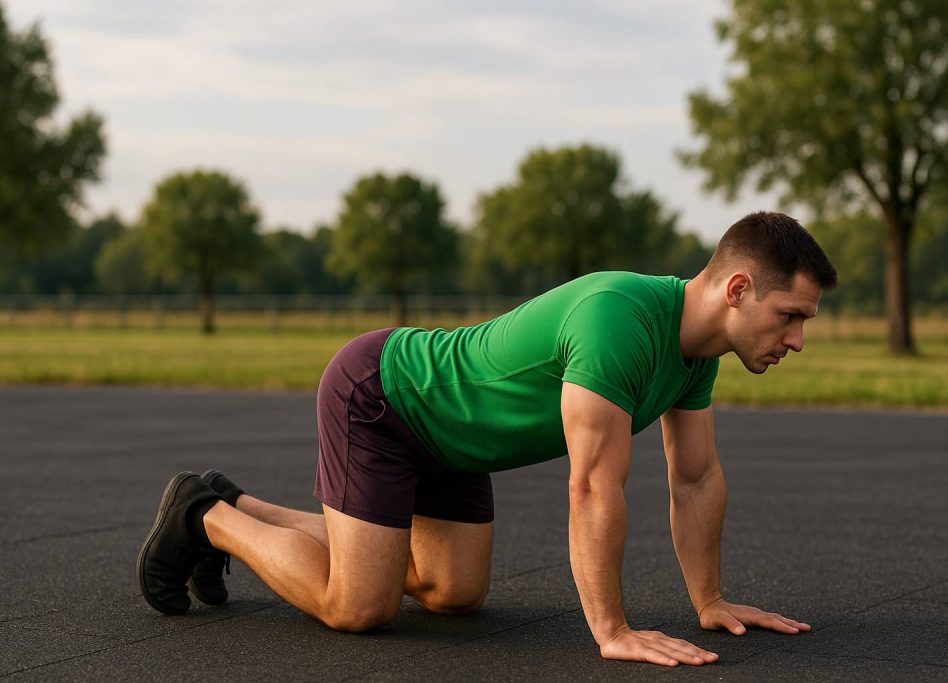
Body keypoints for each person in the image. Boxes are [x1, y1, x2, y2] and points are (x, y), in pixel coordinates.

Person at [137, 210, 837, 667]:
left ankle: (234, 500)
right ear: (738, 288)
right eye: (791, 316)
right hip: (388, 393)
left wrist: (709, 601)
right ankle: (207, 515)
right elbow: (593, 484)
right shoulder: (620, 320)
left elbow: (695, 478)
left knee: (453, 593)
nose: (798, 339)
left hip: (455, 441)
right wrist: (611, 629)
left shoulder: (694, 357)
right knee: (360, 605)